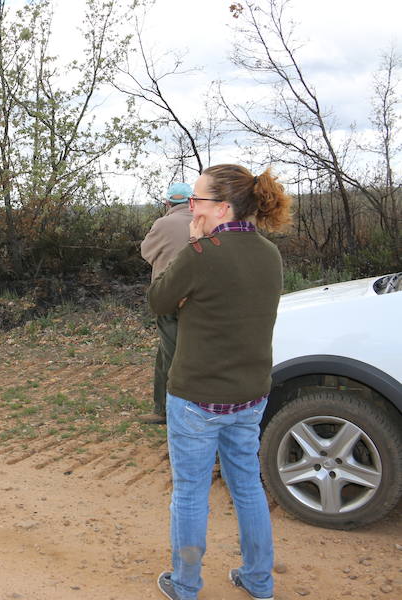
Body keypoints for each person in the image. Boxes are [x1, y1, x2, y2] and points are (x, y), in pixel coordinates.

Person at [148, 164, 292, 600]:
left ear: (223, 207)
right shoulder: (269, 253)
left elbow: (159, 300)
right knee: (246, 486)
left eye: (198, 200)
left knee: (190, 493)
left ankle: (185, 585)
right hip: (249, 396)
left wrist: (193, 246)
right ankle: (259, 580)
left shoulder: (203, 252)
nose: (192, 207)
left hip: (197, 398)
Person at [139, 182, 194, 425]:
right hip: (199, 299)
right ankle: (162, 409)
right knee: (168, 353)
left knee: (172, 356)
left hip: (169, 297)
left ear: (168, 203)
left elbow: (147, 252)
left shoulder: (163, 223)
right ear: (191, 201)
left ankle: (177, 413)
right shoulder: (204, 222)